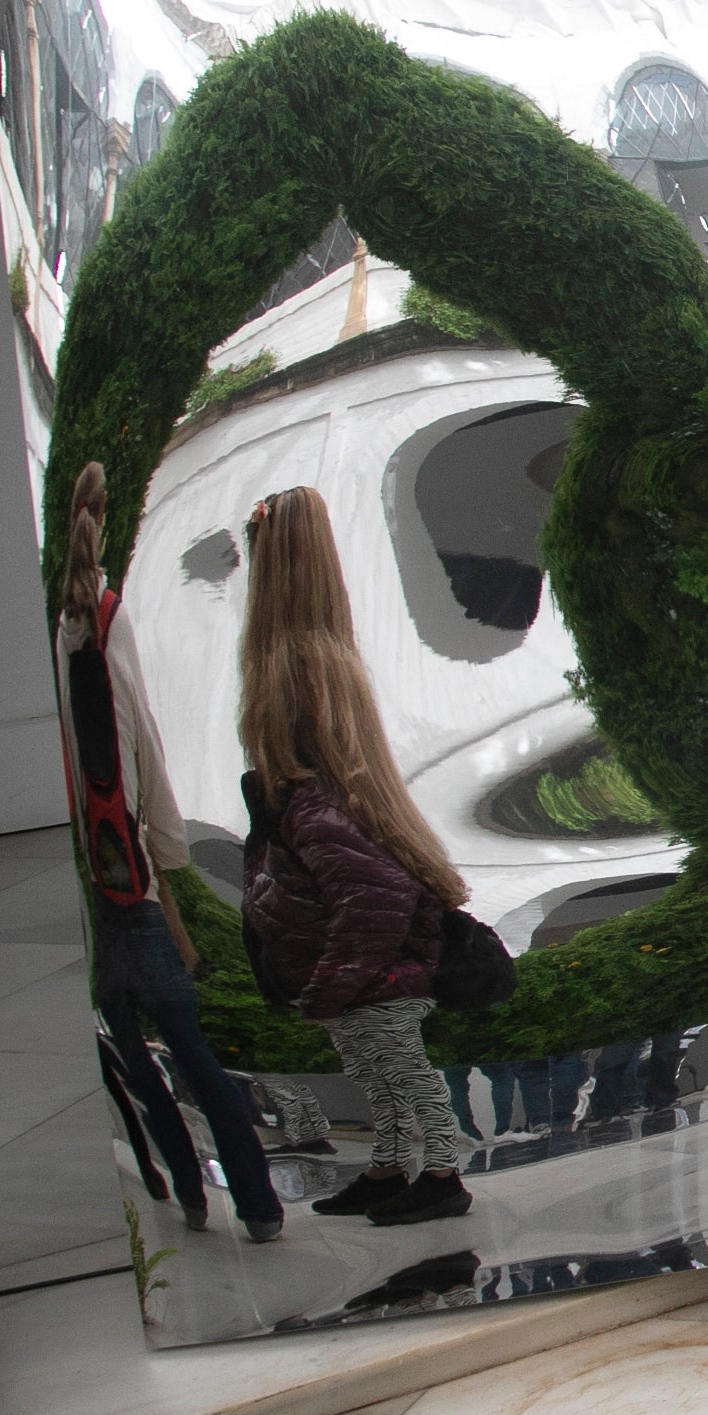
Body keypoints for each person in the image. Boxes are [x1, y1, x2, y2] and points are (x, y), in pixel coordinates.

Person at [53, 461, 286, 1243]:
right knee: (197, 1061)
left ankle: (190, 1195)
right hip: (136, 893)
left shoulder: (63, 628)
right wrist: (167, 861)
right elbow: (140, 744)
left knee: (140, 1061)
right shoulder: (111, 616)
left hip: (97, 889)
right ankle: (256, 1206)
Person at [237, 486, 476, 1228]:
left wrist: (332, 982)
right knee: (377, 1071)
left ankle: (440, 1173)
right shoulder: (320, 782)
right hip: (360, 966)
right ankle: (390, 1166)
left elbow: (373, 895)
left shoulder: (313, 803)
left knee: (398, 1068)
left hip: (372, 971)